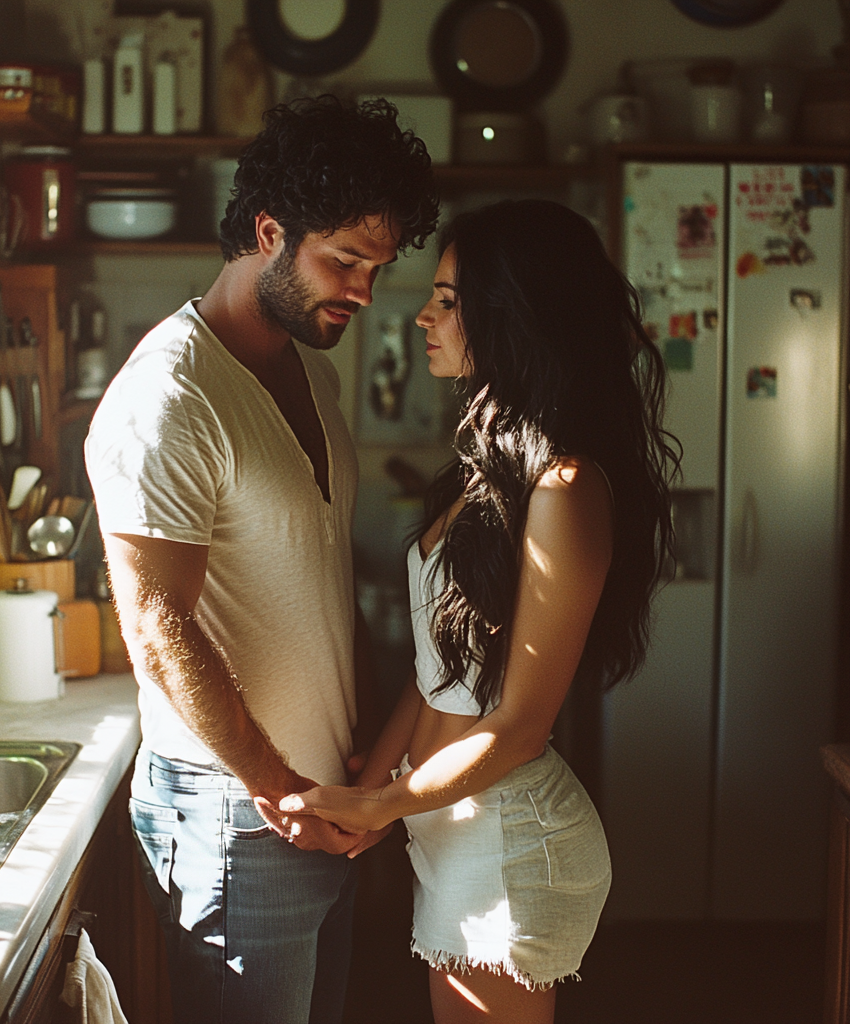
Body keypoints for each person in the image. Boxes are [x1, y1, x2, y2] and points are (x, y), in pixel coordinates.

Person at [274, 199, 679, 1023]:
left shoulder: (564, 488)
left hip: (510, 841)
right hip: (453, 827)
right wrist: (371, 797)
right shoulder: (482, 473)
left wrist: (385, 804)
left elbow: (523, 724)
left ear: (516, 316)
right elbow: (438, 680)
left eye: (451, 300)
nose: (423, 313)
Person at [84, 95, 439, 1024]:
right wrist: (279, 792)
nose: (365, 291)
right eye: (345, 260)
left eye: (380, 266)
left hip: (321, 805)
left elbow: (320, 578)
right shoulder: (170, 397)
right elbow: (159, 629)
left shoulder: (309, 372)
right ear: (268, 230)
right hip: (238, 813)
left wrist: (360, 768)